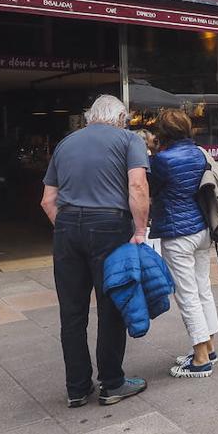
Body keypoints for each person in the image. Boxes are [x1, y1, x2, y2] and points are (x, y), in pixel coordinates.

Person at [40, 95, 150, 408]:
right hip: (110, 226)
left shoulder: (65, 143)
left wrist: (69, 227)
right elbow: (138, 187)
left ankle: (76, 388)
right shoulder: (129, 140)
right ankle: (112, 383)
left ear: (90, 117)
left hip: (67, 226)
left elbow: (47, 200)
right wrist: (140, 231)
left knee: (71, 312)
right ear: (122, 117)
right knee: (112, 305)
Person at [148, 109, 217, 380]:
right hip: (201, 228)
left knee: (187, 295)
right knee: (203, 290)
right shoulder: (199, 152)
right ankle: (209, 347)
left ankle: (200, 359)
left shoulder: (162, 160)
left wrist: (152, 153)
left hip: (178, 233)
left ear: (163, 133)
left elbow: (152, 189)